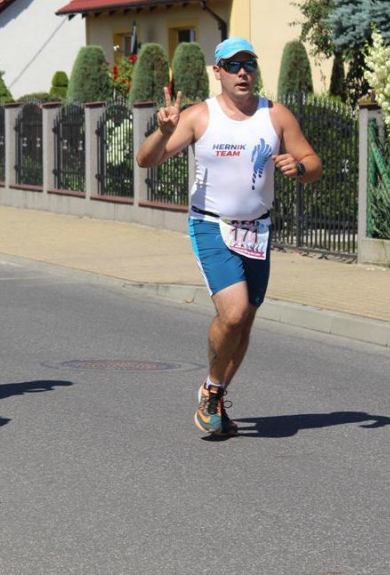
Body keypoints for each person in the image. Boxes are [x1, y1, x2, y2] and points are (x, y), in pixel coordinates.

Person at [135, 37, 322, 437]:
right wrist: (162, 132)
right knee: (233, 313)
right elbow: (146, 160)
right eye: (233, 65)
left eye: (248, 65)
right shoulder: (199, 116)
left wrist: (301, 168)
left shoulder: (275, 115)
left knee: (245, 320)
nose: (242, 73)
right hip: (211, 225)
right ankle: (212, 390)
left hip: (257, 229)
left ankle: (215, 392)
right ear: (217, 72)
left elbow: (313, 162)